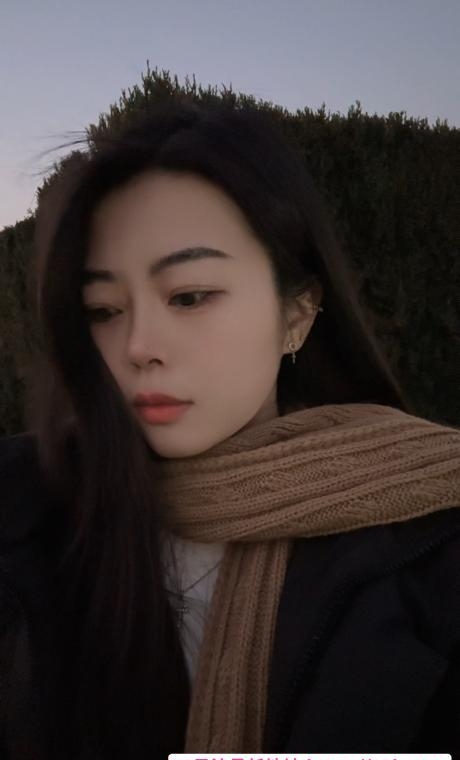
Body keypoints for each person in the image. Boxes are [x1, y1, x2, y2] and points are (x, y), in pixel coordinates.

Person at [0, 97, 459, 760]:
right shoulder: (27, 513)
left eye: (189, 296)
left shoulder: (431, 548)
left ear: (297, 314)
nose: (138, 347)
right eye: (103, 309)